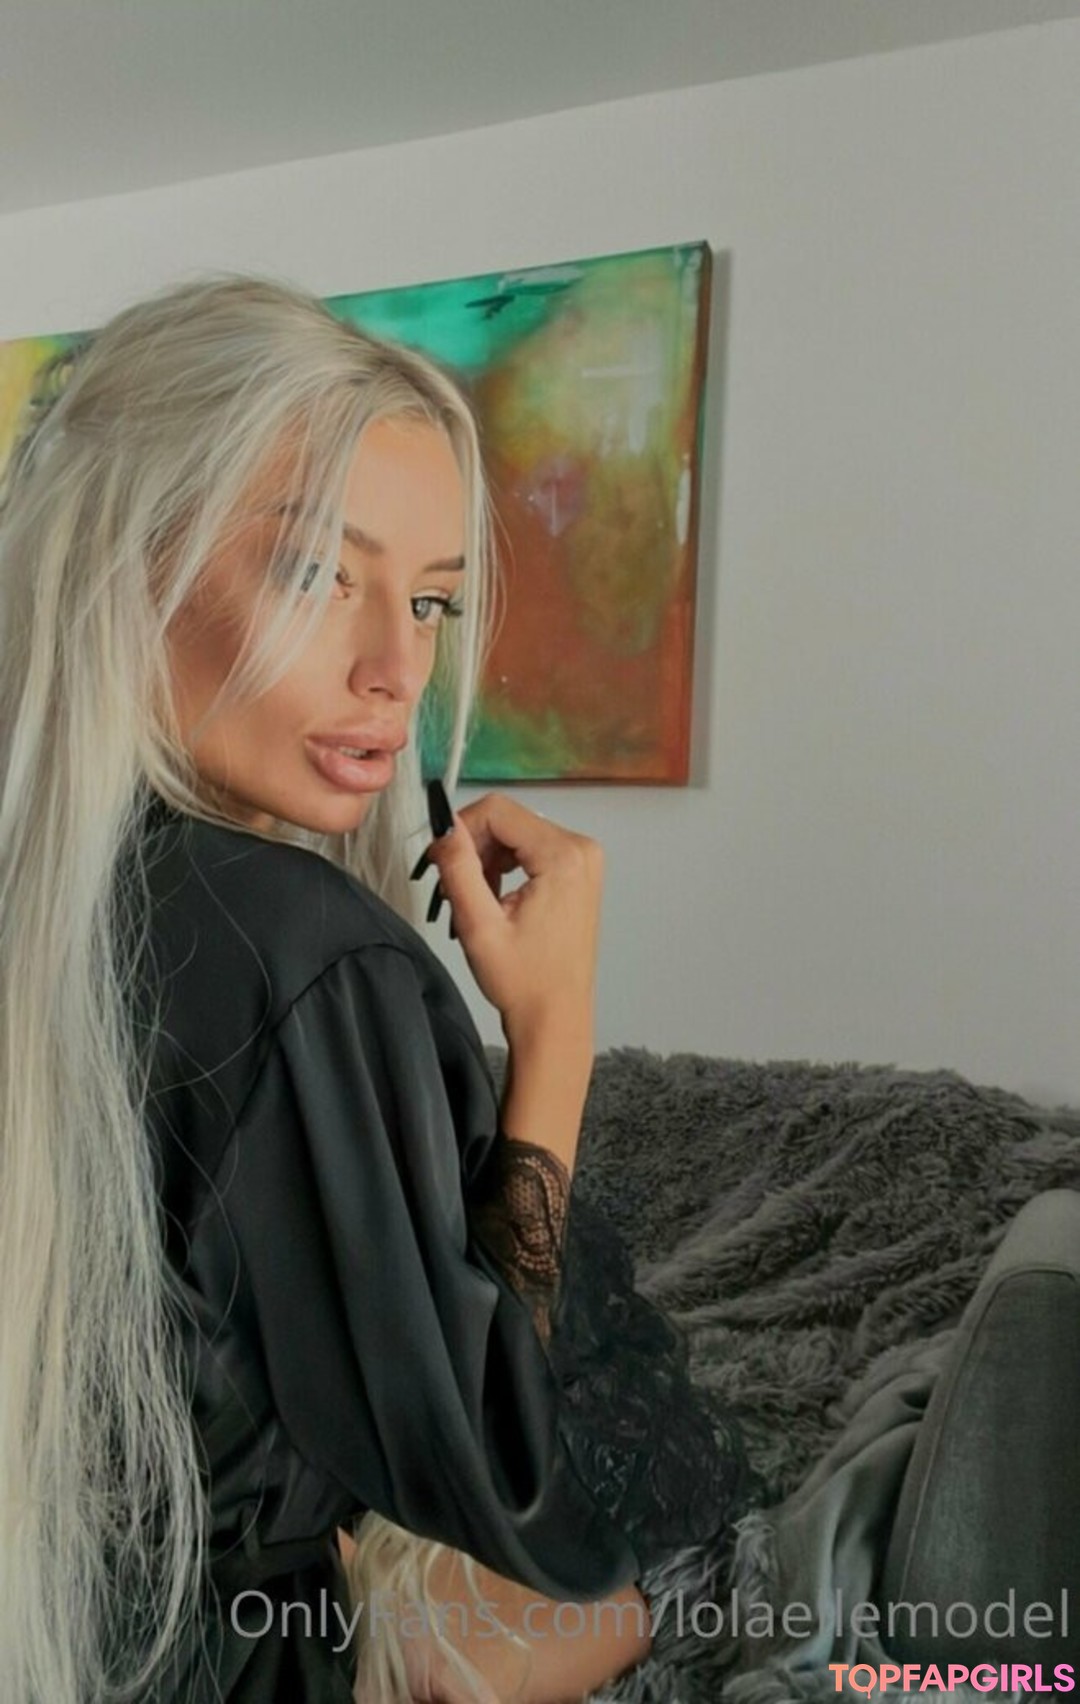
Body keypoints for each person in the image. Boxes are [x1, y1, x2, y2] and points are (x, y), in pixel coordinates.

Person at [0, 273, 751, 1704]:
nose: (398, 668)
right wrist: (555, 1038)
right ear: (126, 564)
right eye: (316, 575)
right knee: (684, 1580)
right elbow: (529, 1482)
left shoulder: (63, 899)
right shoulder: (301, 952)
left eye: (431, 601)